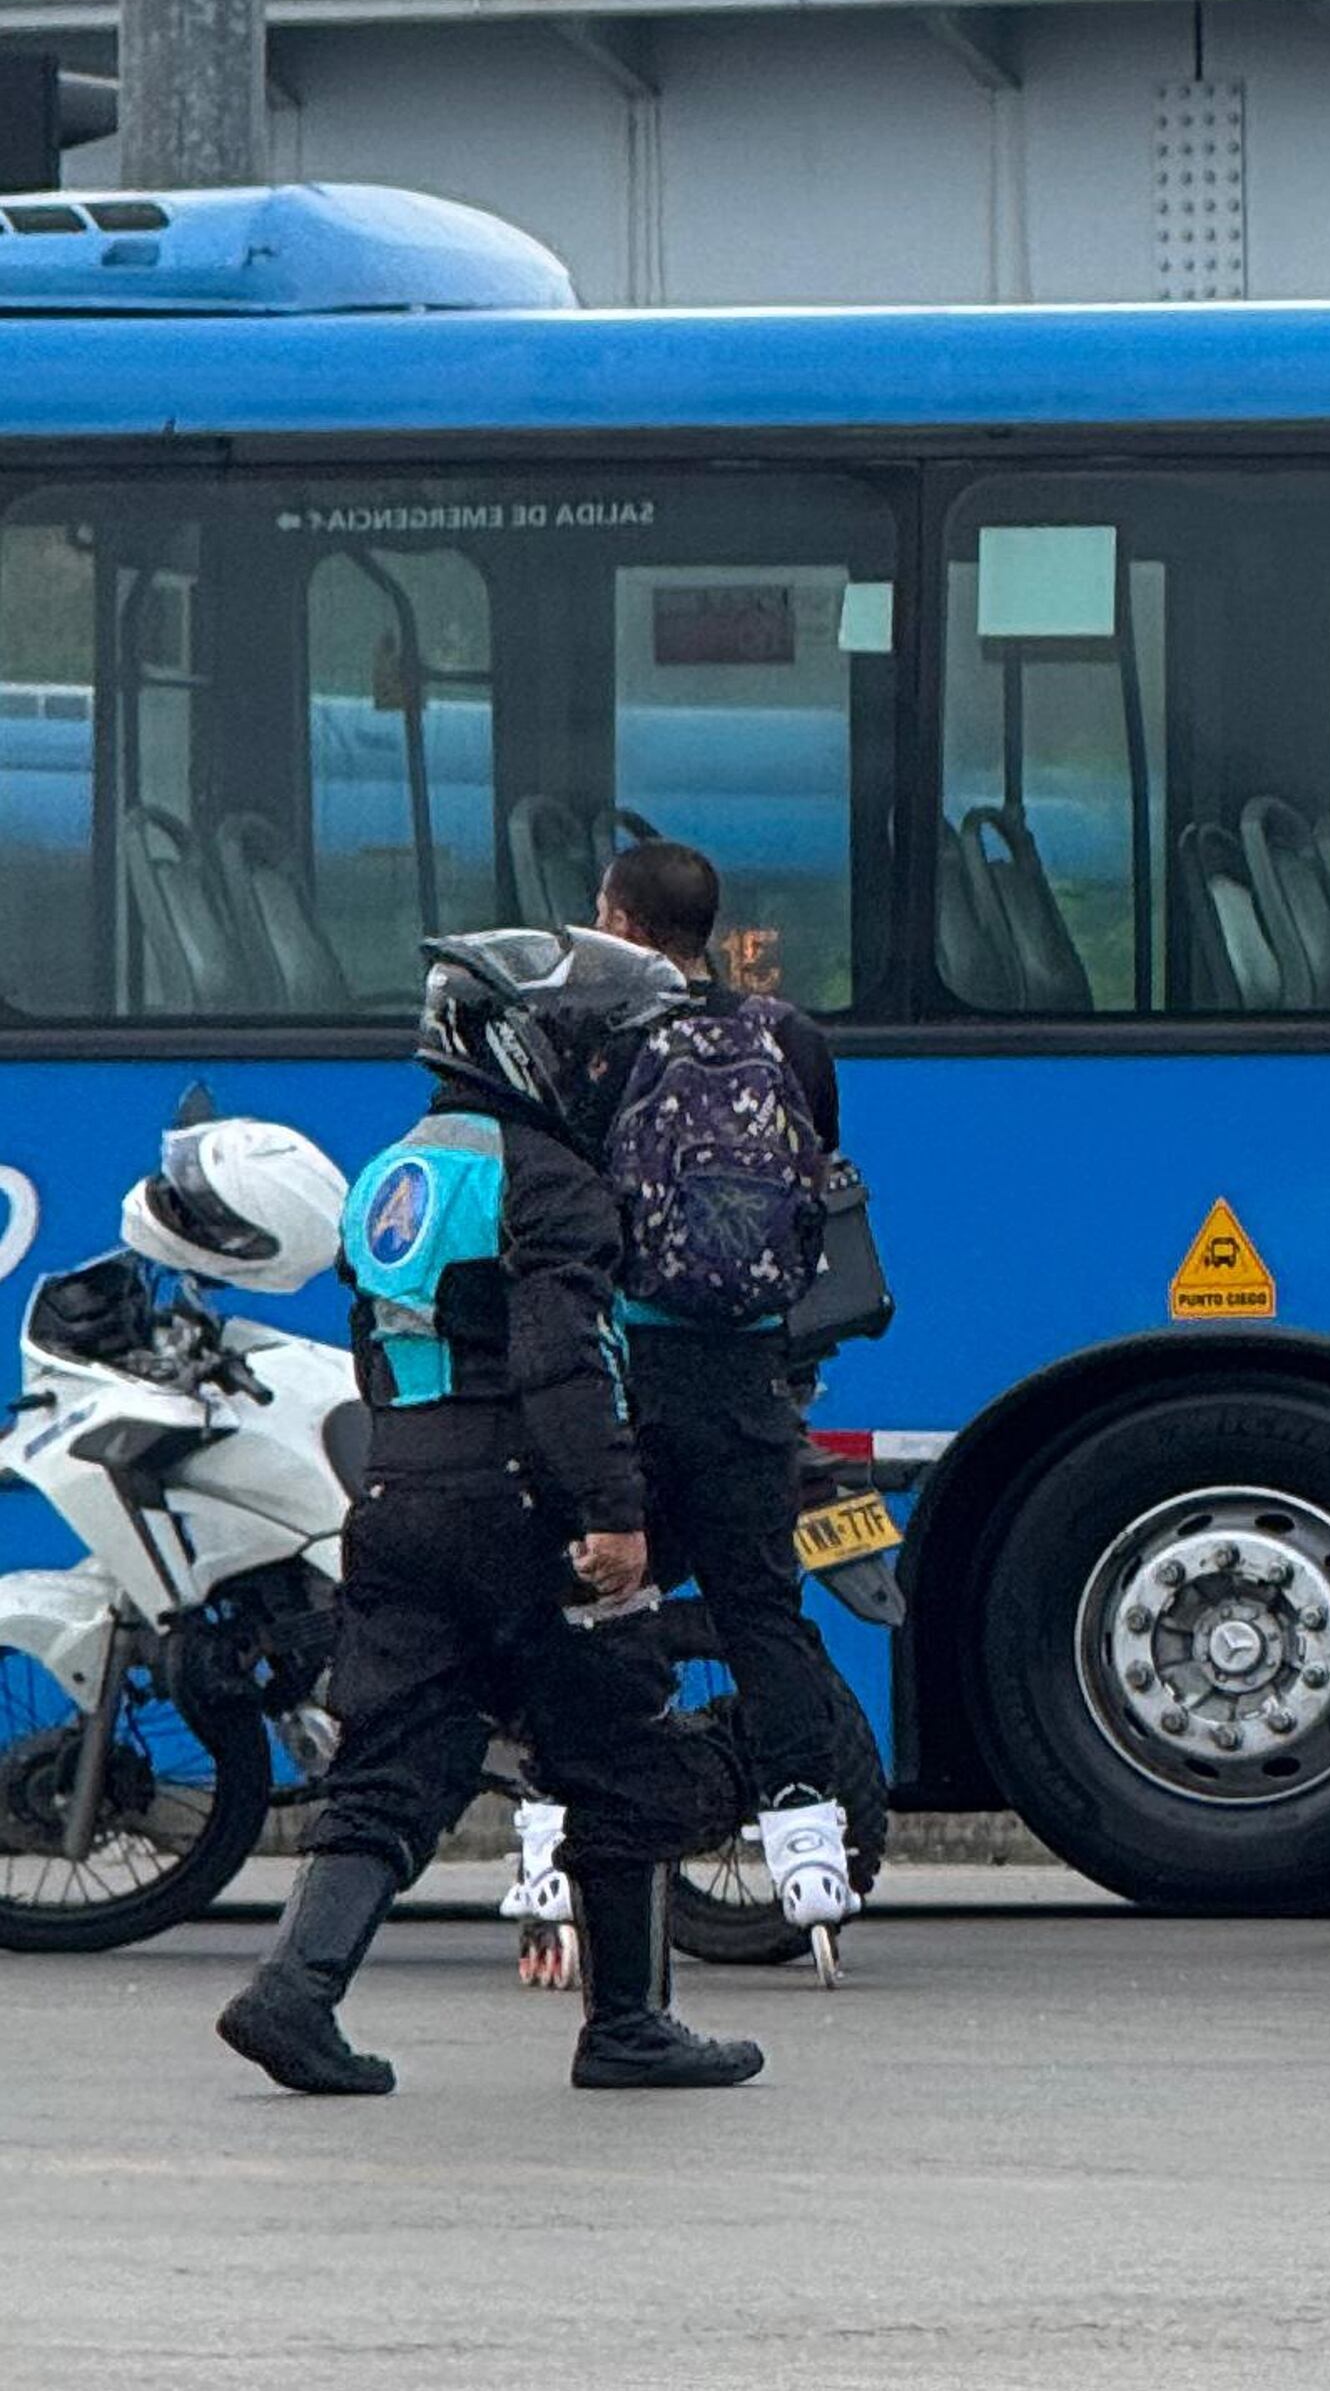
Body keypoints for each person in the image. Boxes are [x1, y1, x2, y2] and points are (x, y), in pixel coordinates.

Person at [216, 929, 762, 2097]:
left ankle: (292, 1992)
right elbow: (565, 1363)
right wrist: (611, 1513)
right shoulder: (548, 1178)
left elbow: (379, 1357)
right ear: (532, 1047)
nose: (617, 1074)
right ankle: (627, 2025)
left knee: (392, 1763)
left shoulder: (392, 1174)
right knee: (624, 1755)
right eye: (602, 1050)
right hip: (523, 1509)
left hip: (402, 1500)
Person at [589, 836, 878, 1950]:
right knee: (764, 1614)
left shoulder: (606, 1039)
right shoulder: (790, 1036)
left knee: (603, 1608)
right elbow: (819, 1183)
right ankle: (808, 1855)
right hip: (754, 1373)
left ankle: (575, 1857)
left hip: (636, 1369)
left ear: (619, 923)